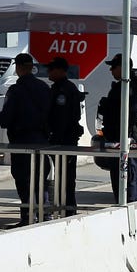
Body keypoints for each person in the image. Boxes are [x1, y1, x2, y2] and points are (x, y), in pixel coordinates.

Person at [0, 53, 51, 226]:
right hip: (42, 141)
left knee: (23, 179)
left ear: (18, 67)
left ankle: (28, 216)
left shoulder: (15, 90)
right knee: (41, 178)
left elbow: (5, 119)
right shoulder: (44, 88)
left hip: (21, 142)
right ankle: (45, 214)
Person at [97, 54, 137, 202]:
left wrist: (106, 105)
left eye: (114, 67)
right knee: (123, 175)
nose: (111, 70)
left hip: (125, 137)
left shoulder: (129, 87)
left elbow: (129, 112)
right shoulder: (126, 85)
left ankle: (128, 205)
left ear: (122, 68)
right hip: (119, 137)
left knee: (127, 176)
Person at [46, 57, 85, 217]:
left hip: (65, 140)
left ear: (61, 71)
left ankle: (69, 210)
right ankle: (66, 209)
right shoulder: (60, 88)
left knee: (66, 178)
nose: (49, 72)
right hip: (63, 139)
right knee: (64, 178)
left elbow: (62, 118)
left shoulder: (64, 90)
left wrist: (56, 139)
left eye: (52, 69)